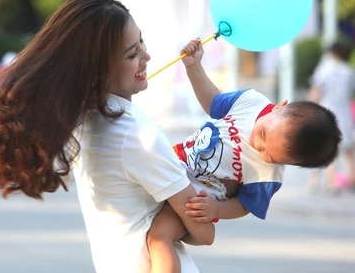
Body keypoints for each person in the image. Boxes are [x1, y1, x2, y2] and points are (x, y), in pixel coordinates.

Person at [0, 0, 214, 273]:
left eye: (141, 42)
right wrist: (163, 231)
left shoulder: (82, 120)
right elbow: (205, 233)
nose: (147, 56)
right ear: (97, 70)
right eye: (132, 53)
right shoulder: (136, 133)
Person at [146, 38, 342, 273]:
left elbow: (244, 204)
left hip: (194, 201)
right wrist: (194, 68)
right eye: (262, 133)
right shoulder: (251, 101)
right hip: (174, 163)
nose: (257, 144)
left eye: (268, 155)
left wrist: (215, 210)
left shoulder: (268, 176)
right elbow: (213, 102)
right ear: (279, 106)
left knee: (159, 237)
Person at [308, 42, 355, 193]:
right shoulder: (349, 70)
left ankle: (331, 182)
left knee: (329, 147)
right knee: (348, 149)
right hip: (345, 112)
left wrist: (309, 110)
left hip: (327, 112)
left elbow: (316, 92)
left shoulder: (325, 69)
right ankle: (351, 180)